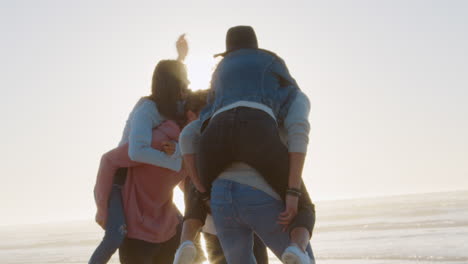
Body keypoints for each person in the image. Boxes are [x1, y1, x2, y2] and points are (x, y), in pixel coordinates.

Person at [177, 26, 315, 264]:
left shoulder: (219, 85)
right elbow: (298, 131)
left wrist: (201, 192)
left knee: (201, 175)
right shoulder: (279, 75)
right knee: (305, 208)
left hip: (215, 148)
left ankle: (185, 243)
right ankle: (296, 249)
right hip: (255, 130)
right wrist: (292, 193)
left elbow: (188, 136)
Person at [89, 35, 191, 264]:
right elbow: (137, 152)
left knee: (182, 226)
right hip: (119, 177)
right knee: (116, 234)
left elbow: (183, 93)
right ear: (172, 87)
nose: (187, 90)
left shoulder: (170, 108)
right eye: (183, 85)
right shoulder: (147, 109)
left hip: (137, 174)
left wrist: (181, 58)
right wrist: (177, 160)